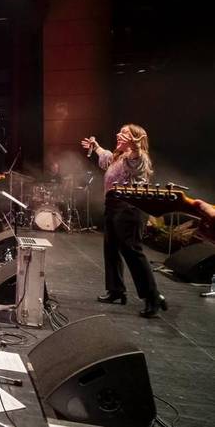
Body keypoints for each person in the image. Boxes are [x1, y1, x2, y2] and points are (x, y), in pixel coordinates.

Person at [82, 125, 167, 317]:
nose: (118, 135)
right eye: (118, 132)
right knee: (110, 248)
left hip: (131, 207)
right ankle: (116, 290)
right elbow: (105, 157)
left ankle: (152, 296)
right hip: (113, 204)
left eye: (124, 134)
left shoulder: (138, 157)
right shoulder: (119, 156)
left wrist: (135, 147)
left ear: (135, 140)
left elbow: (135, 159)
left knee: (131, 251)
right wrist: (95, 146)